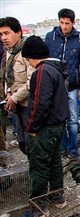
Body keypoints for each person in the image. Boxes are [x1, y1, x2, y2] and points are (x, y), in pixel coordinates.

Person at [15, 35, 70, 217]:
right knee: (54, 160)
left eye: (28, 59)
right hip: (58, 125)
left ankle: (37, 207)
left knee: (38, 165)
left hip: (46, 128)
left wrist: (31, 127)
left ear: (32, 56)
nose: (28, 63)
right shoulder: (57, 68)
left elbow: (40, 102)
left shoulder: (42, 71)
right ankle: (57, 196)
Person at [45, 8, 80, 160]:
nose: (64, 26)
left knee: (73, 121)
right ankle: (62, 148)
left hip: (73, 87)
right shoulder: (50, 37)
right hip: (55, 87)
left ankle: (73, 150)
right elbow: (45, 61)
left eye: (67, 23)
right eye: (62, 23)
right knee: (59, 119)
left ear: (73, 23)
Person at [0, 17, 35, 155]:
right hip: (17, 105)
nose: (3, 38)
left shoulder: (27, 52)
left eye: (7, 33)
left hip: (28, 105)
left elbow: (31, 81)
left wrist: (14, 97)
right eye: (1, 34)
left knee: (31, 143)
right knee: (22, 142)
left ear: (18, 32)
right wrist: (8, 93)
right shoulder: (9, 52)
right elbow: (9, 78)